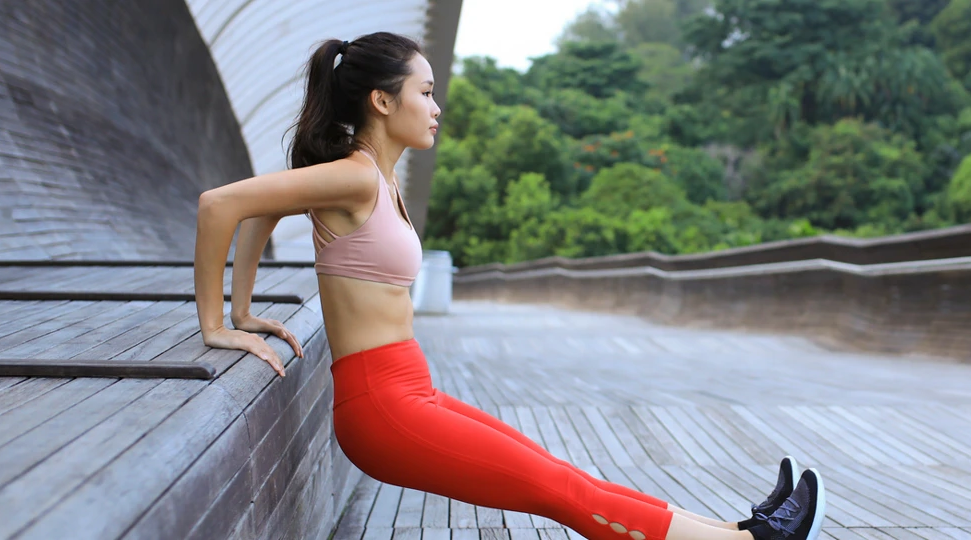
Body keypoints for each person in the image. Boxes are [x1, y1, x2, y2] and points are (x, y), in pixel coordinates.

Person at [191, 32, 825, 540]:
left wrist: (246, 310)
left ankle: (738, 531)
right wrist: (219, 324)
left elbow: (267, 210)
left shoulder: (374, 179)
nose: (436, 108)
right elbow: (221, 204)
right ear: (382, 101)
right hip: (382, 407)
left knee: (563, 475)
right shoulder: (354, 176)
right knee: (563, 492)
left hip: (410, 387)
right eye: (425, 92)